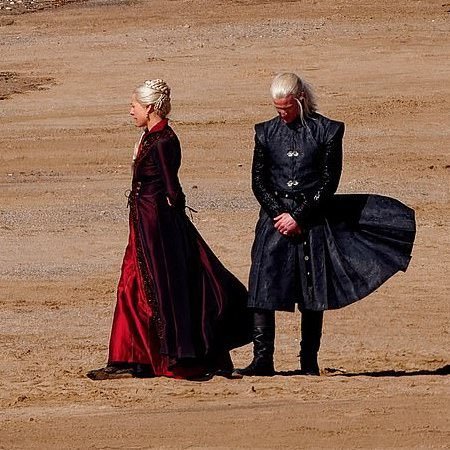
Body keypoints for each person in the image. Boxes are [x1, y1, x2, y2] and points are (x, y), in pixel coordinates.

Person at [236, 72, 416, 377]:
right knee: (262, 287)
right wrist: (279, 214)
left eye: (287, 108)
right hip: (274, 220)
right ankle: (263, 359)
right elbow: (258, 181)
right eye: (278, 109)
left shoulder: (328, 131)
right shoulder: (265, 132)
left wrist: (299, 216)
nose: (282, 114)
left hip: (312, 220)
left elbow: (328, 181)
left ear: (300, 100)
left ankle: (308, 361)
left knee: (312, 290)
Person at [87, 79, 250, 381]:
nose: (131, 111)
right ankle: (129, 356)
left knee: (157, 288)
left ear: (149, 107)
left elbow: (173, 189)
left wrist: (175, 226)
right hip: (144, 223)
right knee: (132, 285)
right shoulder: (151, 137)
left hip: (157, 227)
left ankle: (154, 357)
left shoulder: (163, 140)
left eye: (134, 106)